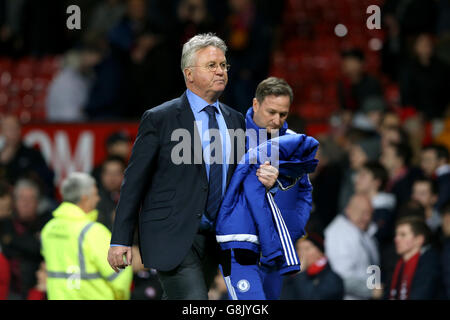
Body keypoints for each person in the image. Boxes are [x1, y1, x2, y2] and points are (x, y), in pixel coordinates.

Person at [107, 33, 278, 300]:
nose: (220, 71)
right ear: (189, 74)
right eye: (212, 66)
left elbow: (243, 178)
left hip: (217, 238)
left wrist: (266, 178)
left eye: (223, 65)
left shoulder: (236, 120)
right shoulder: (159, 118)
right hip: (171, 235)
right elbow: (134, 181)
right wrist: (121, 239)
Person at [41, 172, 132, 300]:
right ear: (84, 199)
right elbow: (120, 276)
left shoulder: (48, 229)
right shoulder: (93, 232)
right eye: (95, 194)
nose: (98, 199)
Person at [325, 194, 382, 300]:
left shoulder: (361, 230)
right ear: (348, 209)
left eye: (369, 213)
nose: (366, 217)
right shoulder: (339, 233)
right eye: (361, 212)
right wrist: (371, 291)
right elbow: (341, 278)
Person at [1, 179, 50, 299]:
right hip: (11, 290)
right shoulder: (6, 224)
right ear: (15, 202)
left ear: (37, 202)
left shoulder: (47, 222)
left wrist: (14, 241)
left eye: (31, 198)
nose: (26, 203)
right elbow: (6, 251)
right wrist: (33, 243)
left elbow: (40, 248)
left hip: (39, 289)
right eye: (22, 198)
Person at [387, 216, 444, 300]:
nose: (396, 239)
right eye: (396, 235)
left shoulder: (429, 265)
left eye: (403, 235)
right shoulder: (399, 263)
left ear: (419, 240)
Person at [0, 115, 55, 199]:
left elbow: (47, 178)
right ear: (2, 132)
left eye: (14, 128)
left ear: (19, 130)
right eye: (8, 129)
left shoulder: (32, 154)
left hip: (30, 198)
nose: (12, 132)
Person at [280, 232, 344, 300]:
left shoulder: (332, 279)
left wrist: (301, 273)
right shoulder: (291, 276)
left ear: (320, 252)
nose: (302, 254)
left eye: (307, 249)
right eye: (299, 249)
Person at [96, 155, 126, 231]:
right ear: (102, 175)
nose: (112, 178)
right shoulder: (94, 199)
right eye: (108, 173)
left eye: (116, 173)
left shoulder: (133, 199)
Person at [420, 144, 450, 211]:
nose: (422, 165)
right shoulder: (439, 178)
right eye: (422, 160)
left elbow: (440, 206)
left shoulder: (446, 180)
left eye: (427, 160)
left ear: (442, 160)